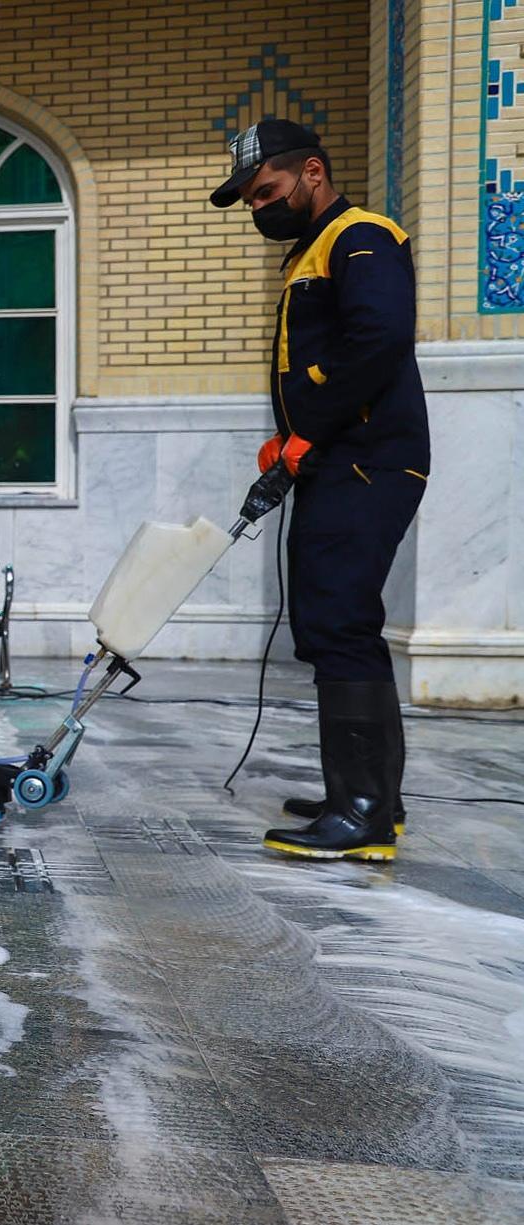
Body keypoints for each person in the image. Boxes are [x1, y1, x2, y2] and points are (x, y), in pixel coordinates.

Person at [208, 118, 429, 861]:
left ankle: (360, 813)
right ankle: (372, 797)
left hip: (365, 462)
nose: (257, 207)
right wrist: (290, 436)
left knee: (335, 623)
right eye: (248, 199)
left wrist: (309, 431)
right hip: (341, 460)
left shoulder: (360, 236)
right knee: (338, 622)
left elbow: (379, 340)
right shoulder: (312, 250)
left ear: (311, 172)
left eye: (265, 190)